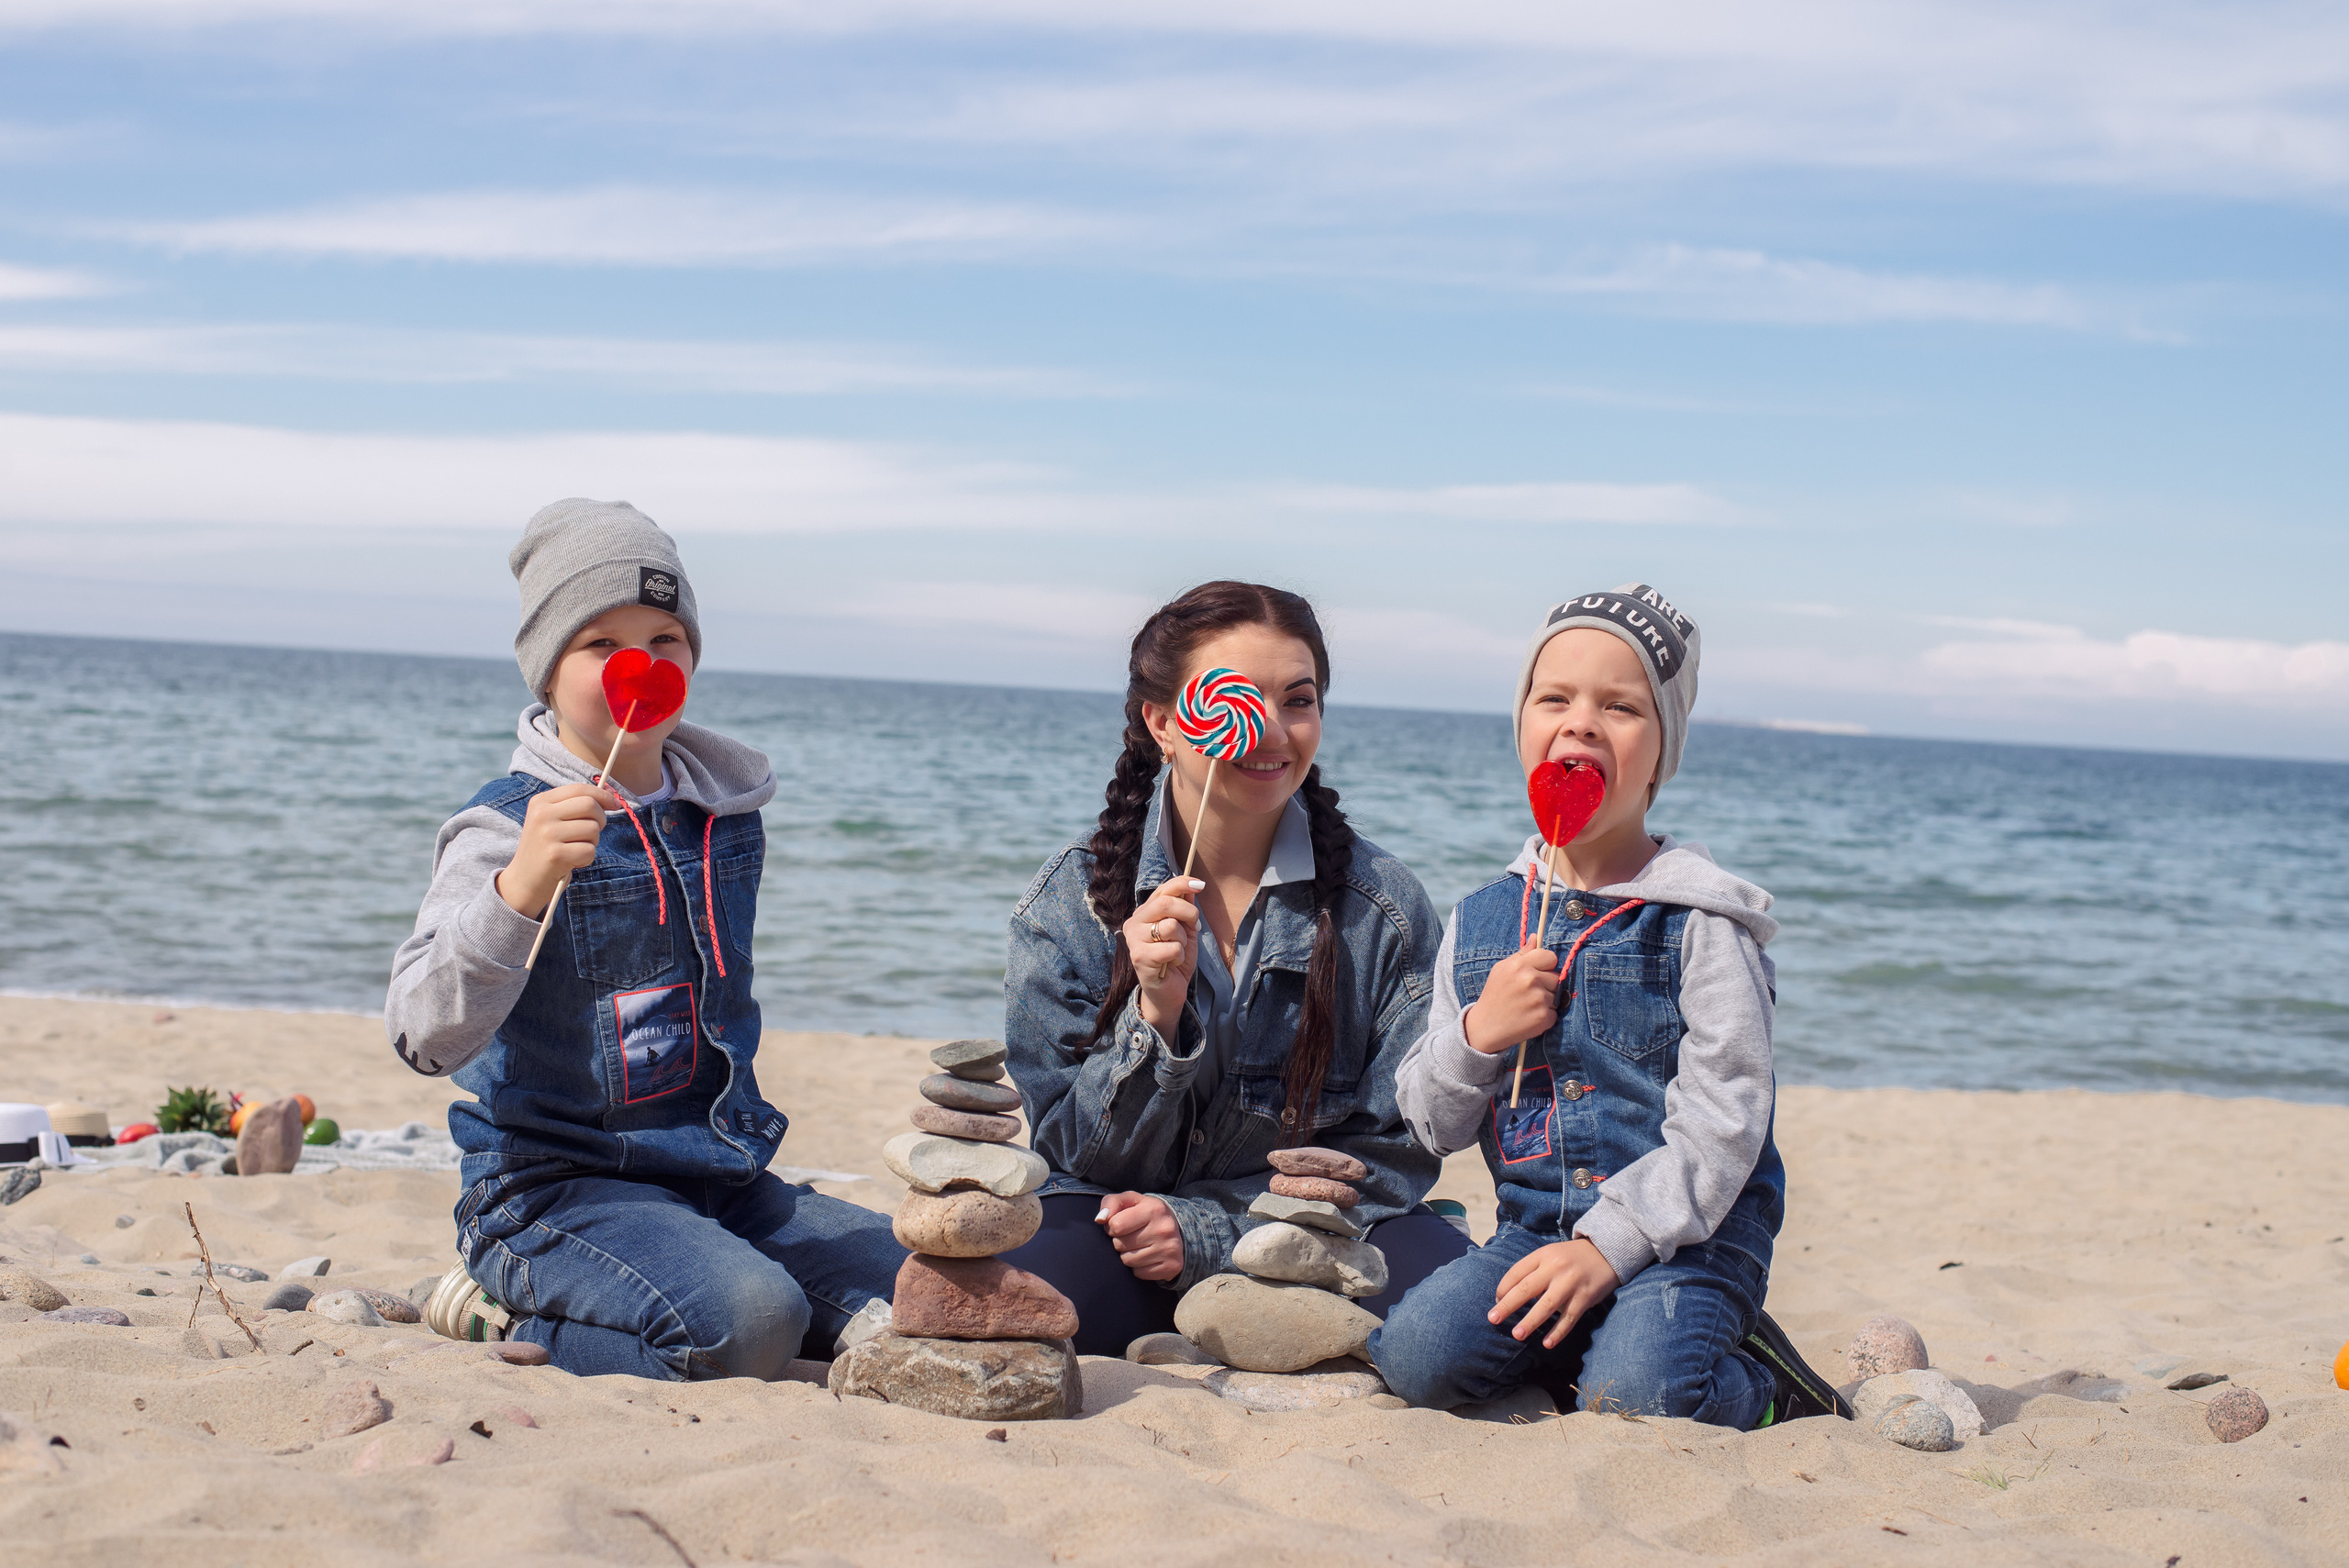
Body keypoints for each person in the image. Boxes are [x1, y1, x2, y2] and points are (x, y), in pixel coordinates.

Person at [386, 498, 902, 1379]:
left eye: (666, 638)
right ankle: (498, 1303)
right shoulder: (504, 828)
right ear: (547, 673)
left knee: (940, 1294)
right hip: (553, 1193)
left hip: (718, 1177)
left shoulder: (722, 813)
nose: (641, 664)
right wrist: (522, 888)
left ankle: (715, 1271)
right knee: (752, 1323)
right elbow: (421, 1033)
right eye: (603, 644)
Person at [1369, 584, 1851, 1427]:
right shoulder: (1483, 918)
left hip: (1686, 1245)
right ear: (1521, 726)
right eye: (1553, 697)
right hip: (1537, 1229)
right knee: (1416, 1359)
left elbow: (1725, 1121)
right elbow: (1430, 1122)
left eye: (1621, 707)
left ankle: (1771, 1383)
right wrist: (1480, 1033)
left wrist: (1608, 1247)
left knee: (1641, 1399)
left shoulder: (1702, 924)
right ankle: (1585, 1339)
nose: (1582, 722)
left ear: (1663, 754)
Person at [1000, 580, 1468, 1357]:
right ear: (1162, 721)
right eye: (1239, 699)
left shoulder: (1379, 908)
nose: (1272, 730)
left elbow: (1398, 1148)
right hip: (1117, 1225)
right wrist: (1153, 1017)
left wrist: (1210, 1231)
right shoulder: (1069, 904)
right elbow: (1070, 1151)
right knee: (1025, 1302)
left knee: (1464, 1331)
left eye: (1299, 699)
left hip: (1315, 1235)